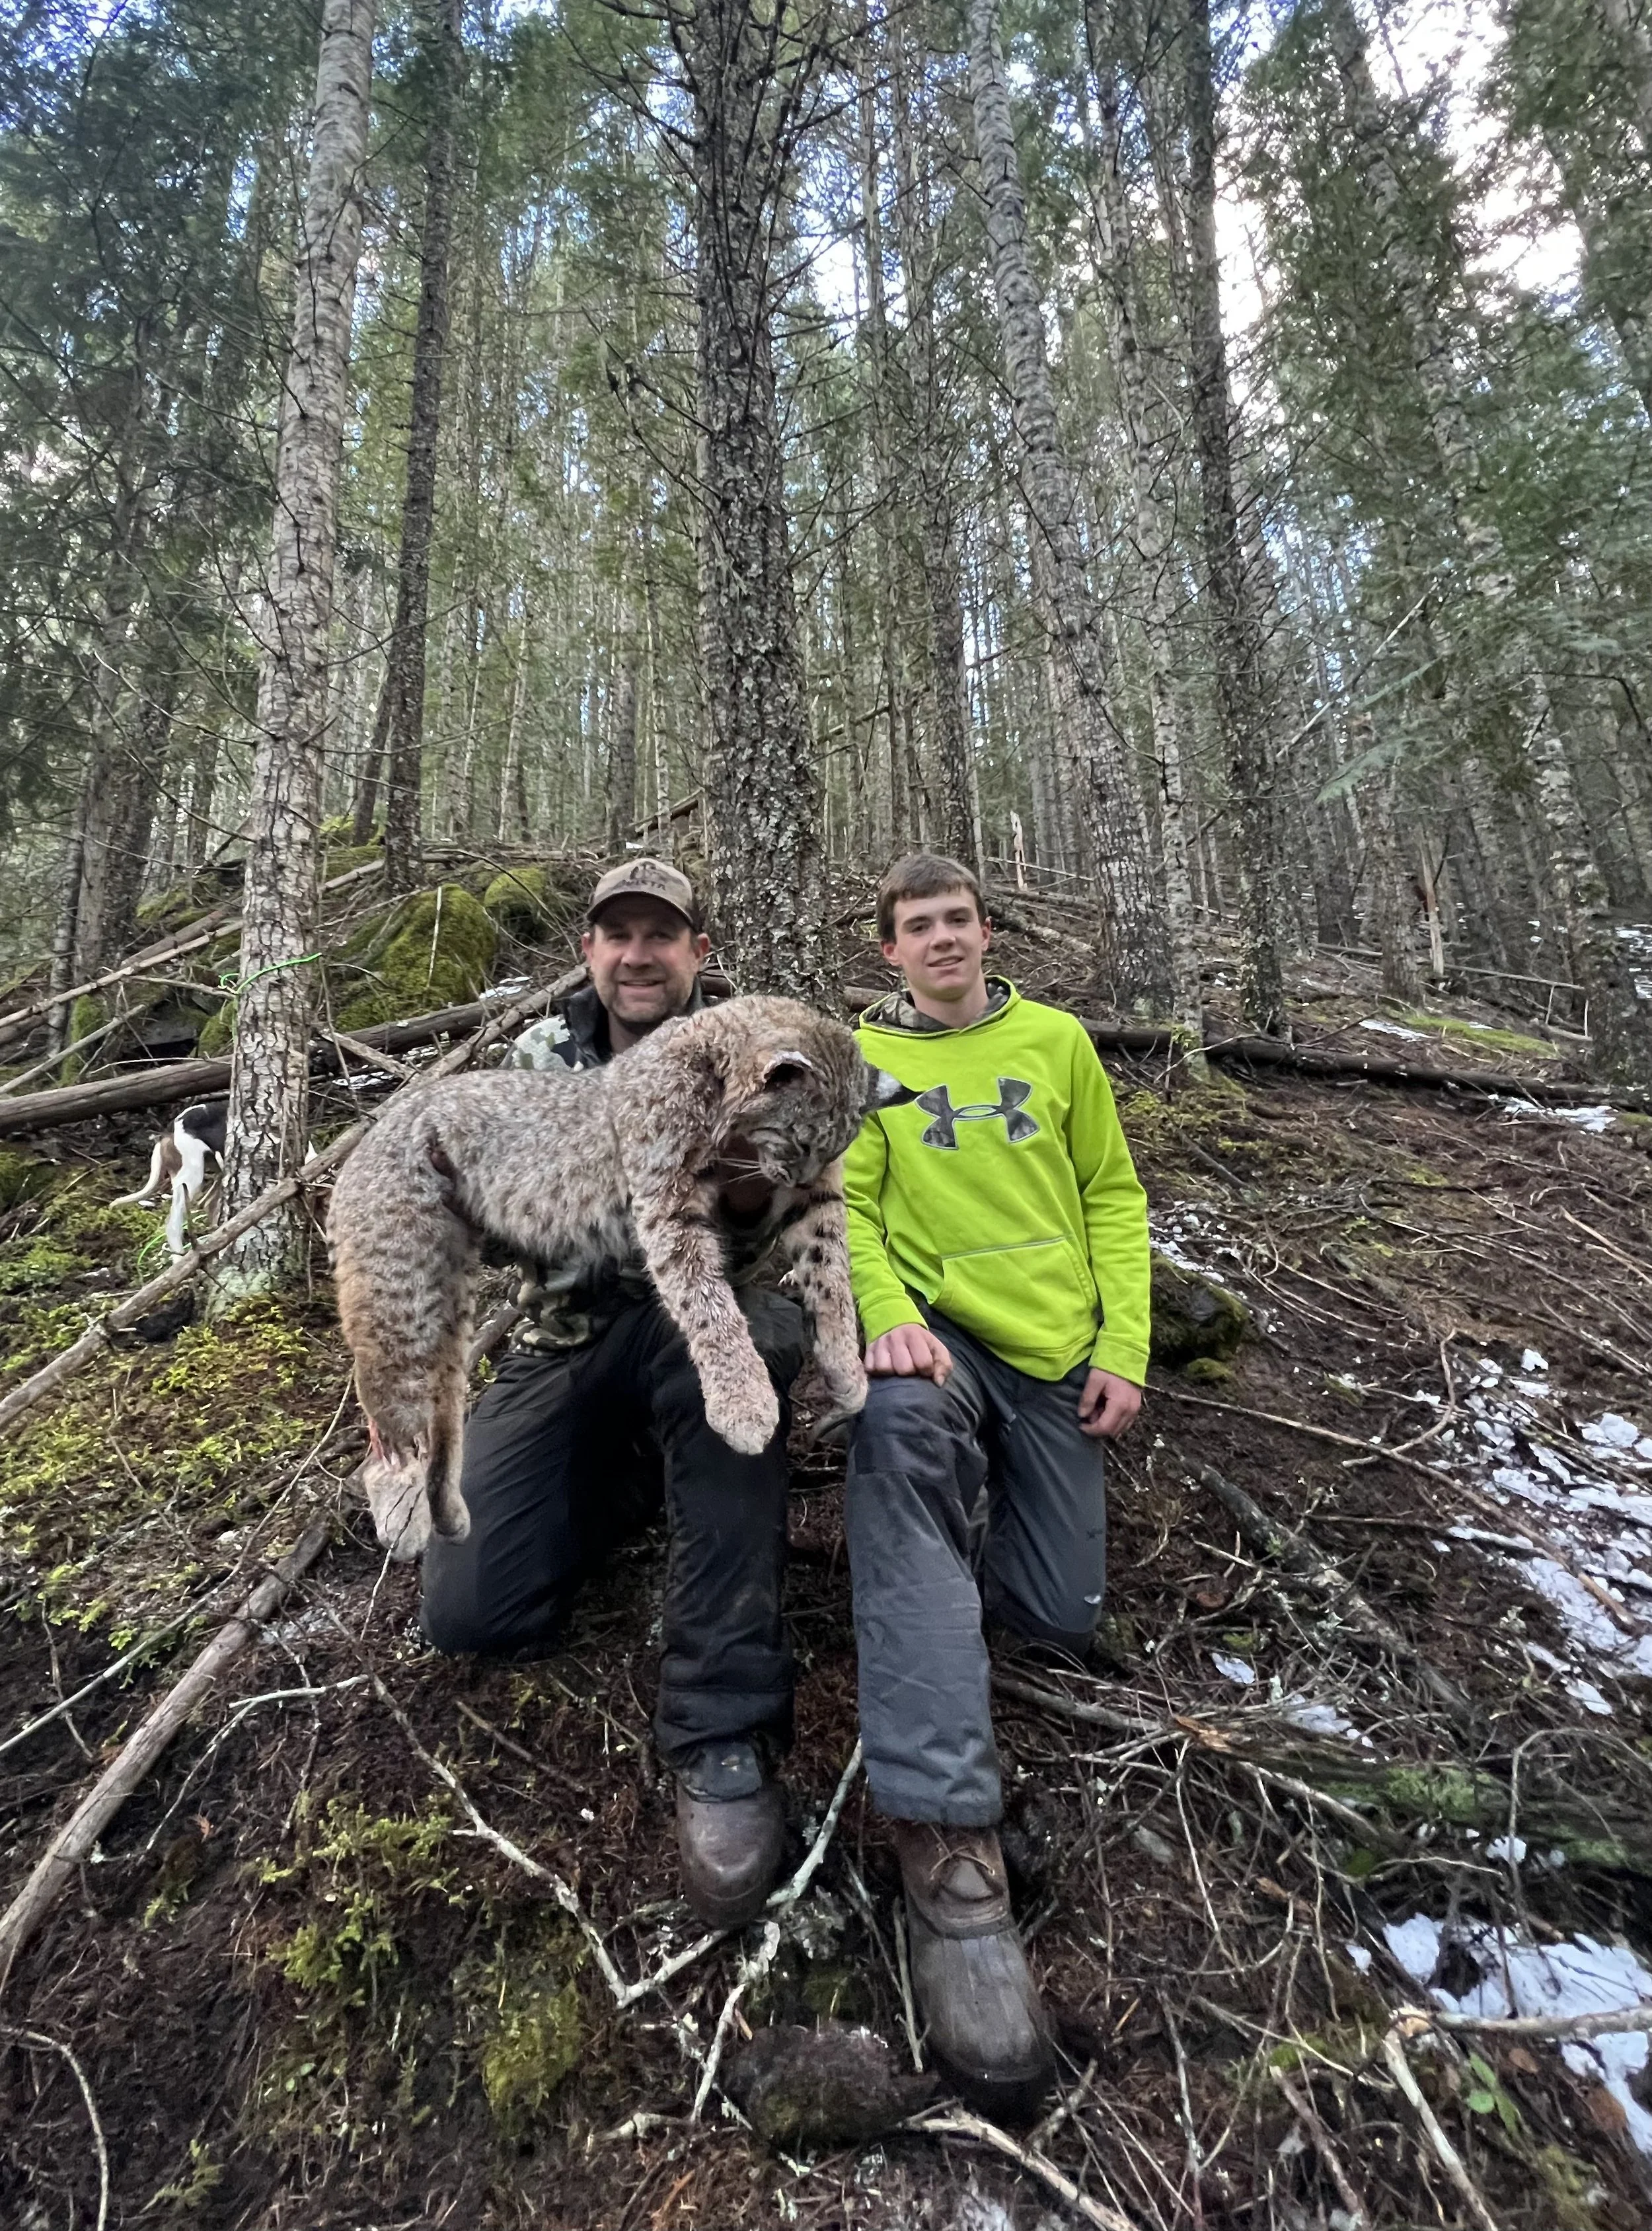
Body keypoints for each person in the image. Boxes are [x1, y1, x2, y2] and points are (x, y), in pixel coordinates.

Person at [422, 857, 809, 1930]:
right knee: (469, 1614)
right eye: (618, 936)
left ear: (697, 953)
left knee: (720, 1355)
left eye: (661, 936)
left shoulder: (752, 1055)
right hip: (570, 1338)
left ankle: (722, 1726)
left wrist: (741, 1184)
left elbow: (780, 1213)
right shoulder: (541, 1058)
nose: (638, 956)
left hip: (716, 1315)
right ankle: (635, 1470)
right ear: (589, 951)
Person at [843, 851, 1151, 2116]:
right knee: (898, 1432)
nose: (944, 941)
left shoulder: (1061, 1043)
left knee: (1056, 1615)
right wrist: (887, 1313)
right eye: (919, 926)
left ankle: (941, 1576)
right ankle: (947, 1842)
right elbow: (845, 1207)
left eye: (959, 920)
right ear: (890, 951)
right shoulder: (863, 1065)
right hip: (940, 1343)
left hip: (1057, 1344)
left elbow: (1114, 1196)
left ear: (987, 930)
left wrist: (1124, 1346)